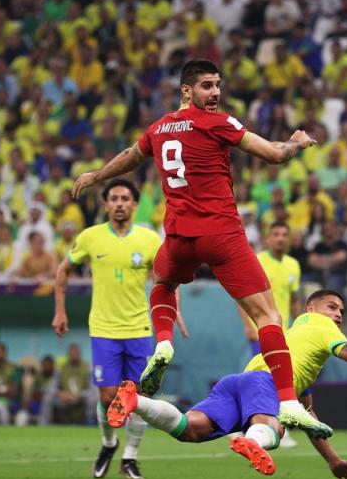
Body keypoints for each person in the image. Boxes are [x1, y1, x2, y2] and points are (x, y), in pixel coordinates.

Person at [73, 59, 329, 439]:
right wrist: (297, 142)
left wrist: (97, 175)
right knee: (269, 317)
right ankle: (290, 403)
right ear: (186, 91)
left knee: (162, 285)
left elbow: (131, 154)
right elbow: (274, 154)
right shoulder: (218, 122)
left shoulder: (159, 128)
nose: (216, 93)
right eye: (207, 85)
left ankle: (163, 344)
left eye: (218, 85)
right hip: (221, 234)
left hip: (178, 236)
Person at [106, 289, 347, 476]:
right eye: (332, 307)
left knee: (190, 428)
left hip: (241, 379)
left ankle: (137, 402)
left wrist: (332, 460)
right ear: (311, 307)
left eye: (341, 312)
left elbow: (307, 415)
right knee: (274, 430)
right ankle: (254, 440)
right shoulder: (321, 328)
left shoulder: (294, 344)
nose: (338, 315)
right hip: (264, 385)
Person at [53, 178, 185, 479]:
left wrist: (174, 311)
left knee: (136, 396)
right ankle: (109, 444)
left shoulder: (150, 239)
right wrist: (60, 311)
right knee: (107, 396)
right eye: (114, 198)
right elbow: (63, 270)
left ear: (135, 204)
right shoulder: (90, 237)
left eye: (125, 198)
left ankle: (130, 457)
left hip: (139, 328)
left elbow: (168, 277)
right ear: (105, 204)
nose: (120, 203)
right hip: (103, 329)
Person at [238, 222, 301, 357]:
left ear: (289, 239)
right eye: (276, 234)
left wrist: (300, 325)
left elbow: (294, 300)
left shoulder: (293, 265)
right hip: (260, 330)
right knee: (261, 373)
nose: (280, 239)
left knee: (279, 375)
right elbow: (241, 296)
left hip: (283, 333)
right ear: (268, 239)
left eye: (284, 235)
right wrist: (248, 327)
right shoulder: (257, 261)